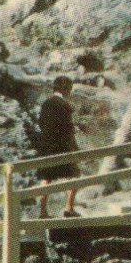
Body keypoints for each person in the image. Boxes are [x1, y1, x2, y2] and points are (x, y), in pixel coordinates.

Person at [36, 76, 81, 218]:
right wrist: (74, 147)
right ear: (65, 89)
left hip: (46, 147)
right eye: (70, 89)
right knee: (74, 175)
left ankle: (42, 212)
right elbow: (67, 130)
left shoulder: (45, 104)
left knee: (46, 178)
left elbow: (41, 123)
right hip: (61, 147)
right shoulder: (64, 105)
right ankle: (68, 207)